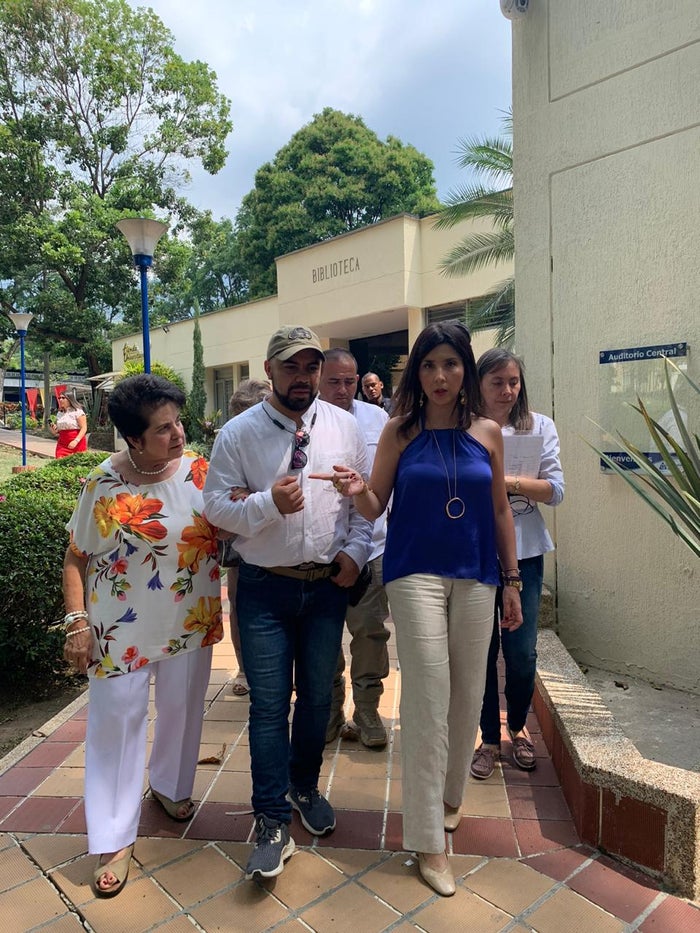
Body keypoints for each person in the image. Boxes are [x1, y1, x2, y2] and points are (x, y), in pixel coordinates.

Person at [313, 321, 522, 897]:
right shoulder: (400, 431)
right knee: (428, 698)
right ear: (417, 373)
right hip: (414, 575)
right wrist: (356, 488)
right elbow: (375, 503)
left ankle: (451, 796)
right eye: (429, 365)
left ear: (466, 370)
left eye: (450, 364)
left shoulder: (488, 432)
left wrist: (511, 580)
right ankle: (428, 840)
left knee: (468, 693)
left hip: (477, 575)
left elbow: (500, 510)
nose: (439, 376)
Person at [203, 325, 372, 882]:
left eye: (311, 366)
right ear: (269, 371)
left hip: (325, 588)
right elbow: (216, 508)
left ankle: (303, 785)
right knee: (270, 705)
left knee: (319, 696)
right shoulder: (239, 433)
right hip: (264, 588)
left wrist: (354, 553)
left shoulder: (345, 426)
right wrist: (267, 504)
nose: (303, 377)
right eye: (291, 367)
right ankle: (271, 819)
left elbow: (362, 504)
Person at [61, 374, 223, 898]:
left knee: (182, 709)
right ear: (133, 438)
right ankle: (112, 838)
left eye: (177, 423)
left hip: (189, 618)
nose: (177, 434)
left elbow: (231, 523)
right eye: (162, 429)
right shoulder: (103, 484)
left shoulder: (199, 470)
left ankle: (171, 786)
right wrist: (77, 622)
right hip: (119, 628)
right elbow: (75, 557)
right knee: (116, 726)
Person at [470, 349, 564, 779]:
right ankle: (489, 737)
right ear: (479, 385)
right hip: (474, 552)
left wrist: (507, 482)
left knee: (521, 652)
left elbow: (555, 490)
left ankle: (518, 725)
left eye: (514, 382)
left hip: (525, 553)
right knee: (482, 650)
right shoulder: (465, 427)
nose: (507, 391)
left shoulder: (539, 426)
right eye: (497, 382)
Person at [319, 349, 391, 748]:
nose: (343, 390)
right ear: (318, 379)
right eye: (334, 381)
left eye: (350, 382)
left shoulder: (377, 419)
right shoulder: (305, 422)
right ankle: (329, 711)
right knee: (324, 638)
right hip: (321, 554)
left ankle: (367, 710)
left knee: (370, 635)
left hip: (373, 547)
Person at [224, 378, 271, 696]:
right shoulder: (229, 442)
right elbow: (224, 494)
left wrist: (253, 495)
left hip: (281, 538)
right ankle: (244, 668)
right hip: (241, 540)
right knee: (239, 603)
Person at [50, 390, 88, 457]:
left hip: (76, 442)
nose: (60, 400)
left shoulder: (78, 412)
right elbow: (57, 431)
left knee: (76, 461)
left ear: (70, 399)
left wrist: (76, 441)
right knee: (60, 460)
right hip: (62, 443)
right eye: (59, 398)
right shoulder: (60, 413)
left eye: (63, 398)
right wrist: (54, 429)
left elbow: (84, 428)